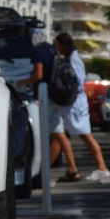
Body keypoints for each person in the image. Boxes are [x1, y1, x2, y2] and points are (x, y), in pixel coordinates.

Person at [16, 28, 78, 180]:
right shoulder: (53, 51)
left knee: (39, 134)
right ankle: (72, 168)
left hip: (45, 99)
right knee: (59, 134)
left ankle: (38, 170)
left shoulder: (38, 51)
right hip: (56, 98)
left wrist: (22, 82)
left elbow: (38, 75)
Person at [52, 32, 110, 181]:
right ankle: (71, 168)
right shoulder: (72, 58)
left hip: (75, 103)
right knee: (60, 134)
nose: (57, 48)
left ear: (63, 44)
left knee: (84, 135)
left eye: (58, 45)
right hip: (74, 103)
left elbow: (77, 82)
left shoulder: (74, 59)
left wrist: (66, 99)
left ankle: (101, 167)